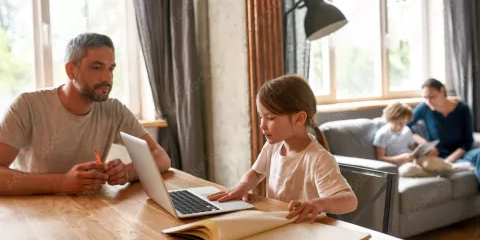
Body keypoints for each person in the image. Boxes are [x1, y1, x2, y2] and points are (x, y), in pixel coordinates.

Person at [0, 33, 171, 196]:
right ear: (71, 70)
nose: (107, 78)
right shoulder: (27, 105)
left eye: (111, 69)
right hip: (31, 214)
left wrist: (126, 172)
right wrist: (61, 183)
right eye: (97, 68)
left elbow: (161, 157)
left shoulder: (114, 110)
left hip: (88, 211)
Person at [208, 75, 358, 223]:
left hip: (305, 231)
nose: (262, 125)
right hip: (276, 224)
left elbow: (350, 200)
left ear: (299, 118)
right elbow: (255, 173)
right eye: (261, 117)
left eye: (270, 118)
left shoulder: (318, 158)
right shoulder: (273, 146)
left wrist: (318, 204)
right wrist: (242, 186)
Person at [408, 78, 480, 184]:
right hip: (438, 156)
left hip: (461, 155)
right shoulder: (424, 108)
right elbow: (404, 125)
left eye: (432, 97)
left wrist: (448, 161)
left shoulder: (463, 109)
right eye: (425, 98)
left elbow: (468, 141)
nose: (429, 101)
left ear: (442, 91)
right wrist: (424, 143)